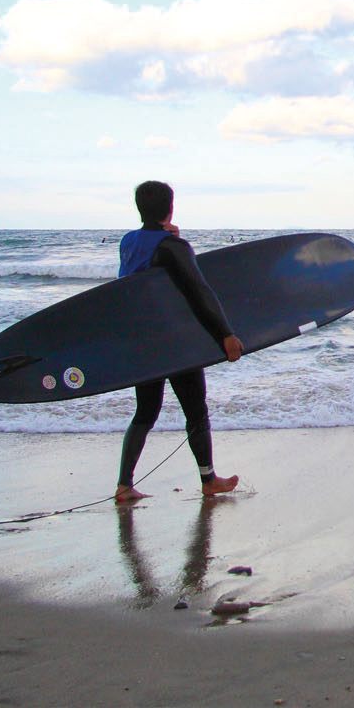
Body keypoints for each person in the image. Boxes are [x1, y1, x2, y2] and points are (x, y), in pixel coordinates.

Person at [114, 180, 244, 504]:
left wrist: (171, 238)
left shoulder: (129, 243)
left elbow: (152, 267)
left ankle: (124, 485)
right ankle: (209, 479)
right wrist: (225, 334)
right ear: (170, 207)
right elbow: (199, 291)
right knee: (196, 410)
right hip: (173, 342)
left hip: (141, 341)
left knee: (145, 411)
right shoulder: (174, 248)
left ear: (140, 208)